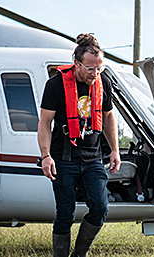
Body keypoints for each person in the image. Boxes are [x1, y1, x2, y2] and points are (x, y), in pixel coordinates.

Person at [38, 33, 121, 257]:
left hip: (93, 157)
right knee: (65, 213)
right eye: (90, 69)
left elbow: (108, 116)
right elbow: (45, 123)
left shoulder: (103, 83)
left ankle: (79, 254)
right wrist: (46, 156)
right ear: (77, 63)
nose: (95, 74)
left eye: (99, 69)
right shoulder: (56, 84)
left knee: (100, 207)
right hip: (64, 158)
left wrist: (115, 150)